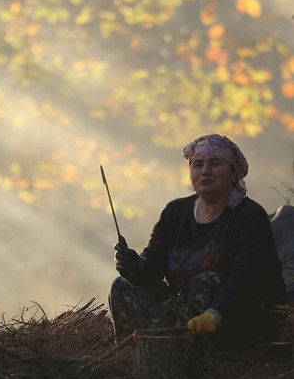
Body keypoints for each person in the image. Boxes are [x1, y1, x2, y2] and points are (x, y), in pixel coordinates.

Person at [109, 133, 287, 352]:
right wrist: (133, 265)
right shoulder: (175, 212)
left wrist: (215, 313)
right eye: (197, 164)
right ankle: (133, 356)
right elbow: (152, 269)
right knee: (123, 286)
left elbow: (244, 277)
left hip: (238, 312)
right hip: (185, 311)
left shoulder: (249, 216)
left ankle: (196, 359)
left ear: (234, 172)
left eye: (215, 163)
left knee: (207, 282)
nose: (205, 171)